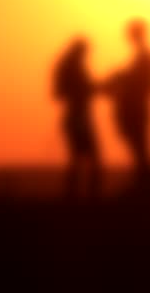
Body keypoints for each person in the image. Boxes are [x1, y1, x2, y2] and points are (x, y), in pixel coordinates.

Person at [104, 18, 150, 197]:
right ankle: (145, 188)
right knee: (139, 149)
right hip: (135, 108)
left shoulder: (146, 57)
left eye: (131, 33)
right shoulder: (142, 56)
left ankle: (145, 191)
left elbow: (147, 84)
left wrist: (120, 77)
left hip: (137, 109)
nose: (128, 37)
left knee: (140, 150)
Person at [52, 36, 102, 200]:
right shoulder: (73, 67)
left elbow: (59, 92)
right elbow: (66, 91)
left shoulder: (68, 65)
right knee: (91, 156)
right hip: (78, 115)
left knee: (77, 157)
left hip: (77, 115)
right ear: (80, 50)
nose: (87, 55)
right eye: (85, 51)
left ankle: (75, 194)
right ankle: (90, 195)